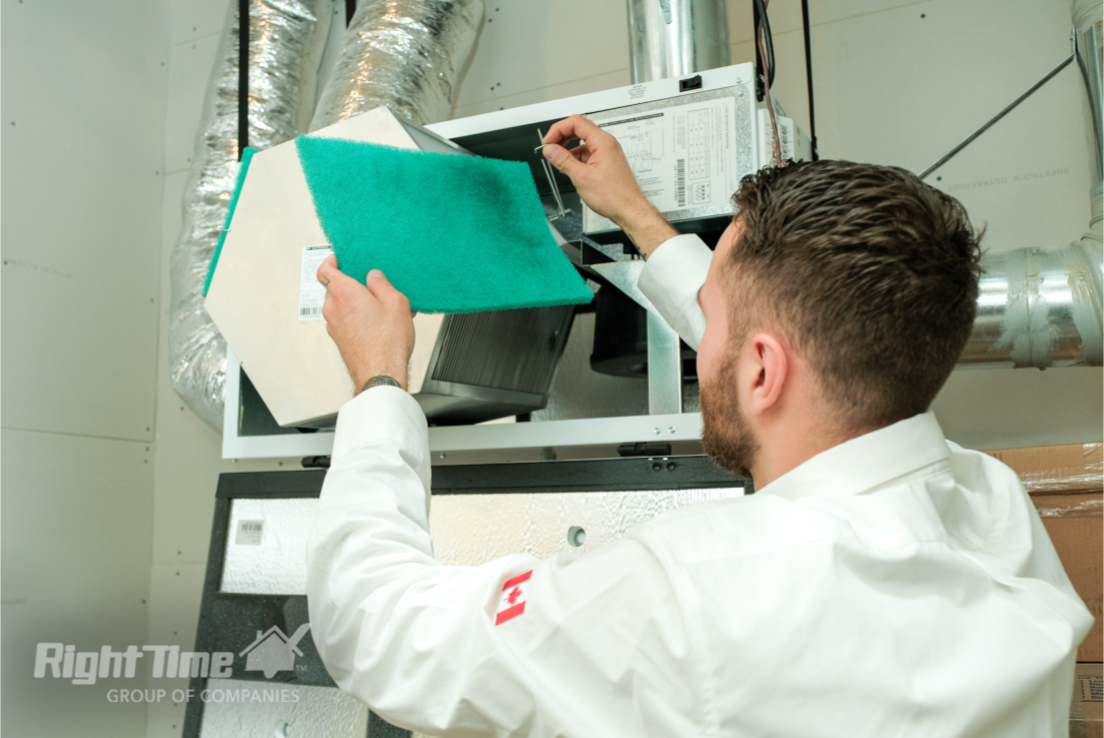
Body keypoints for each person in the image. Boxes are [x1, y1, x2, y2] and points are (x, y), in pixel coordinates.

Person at [306, 114, 1092, 737]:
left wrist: (379, 382)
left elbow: (376, 630)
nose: (701, 332)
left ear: (760, 369)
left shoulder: (683, 594)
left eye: (711, 314)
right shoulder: (995, 509)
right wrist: (641, 221)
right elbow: (790, 356)